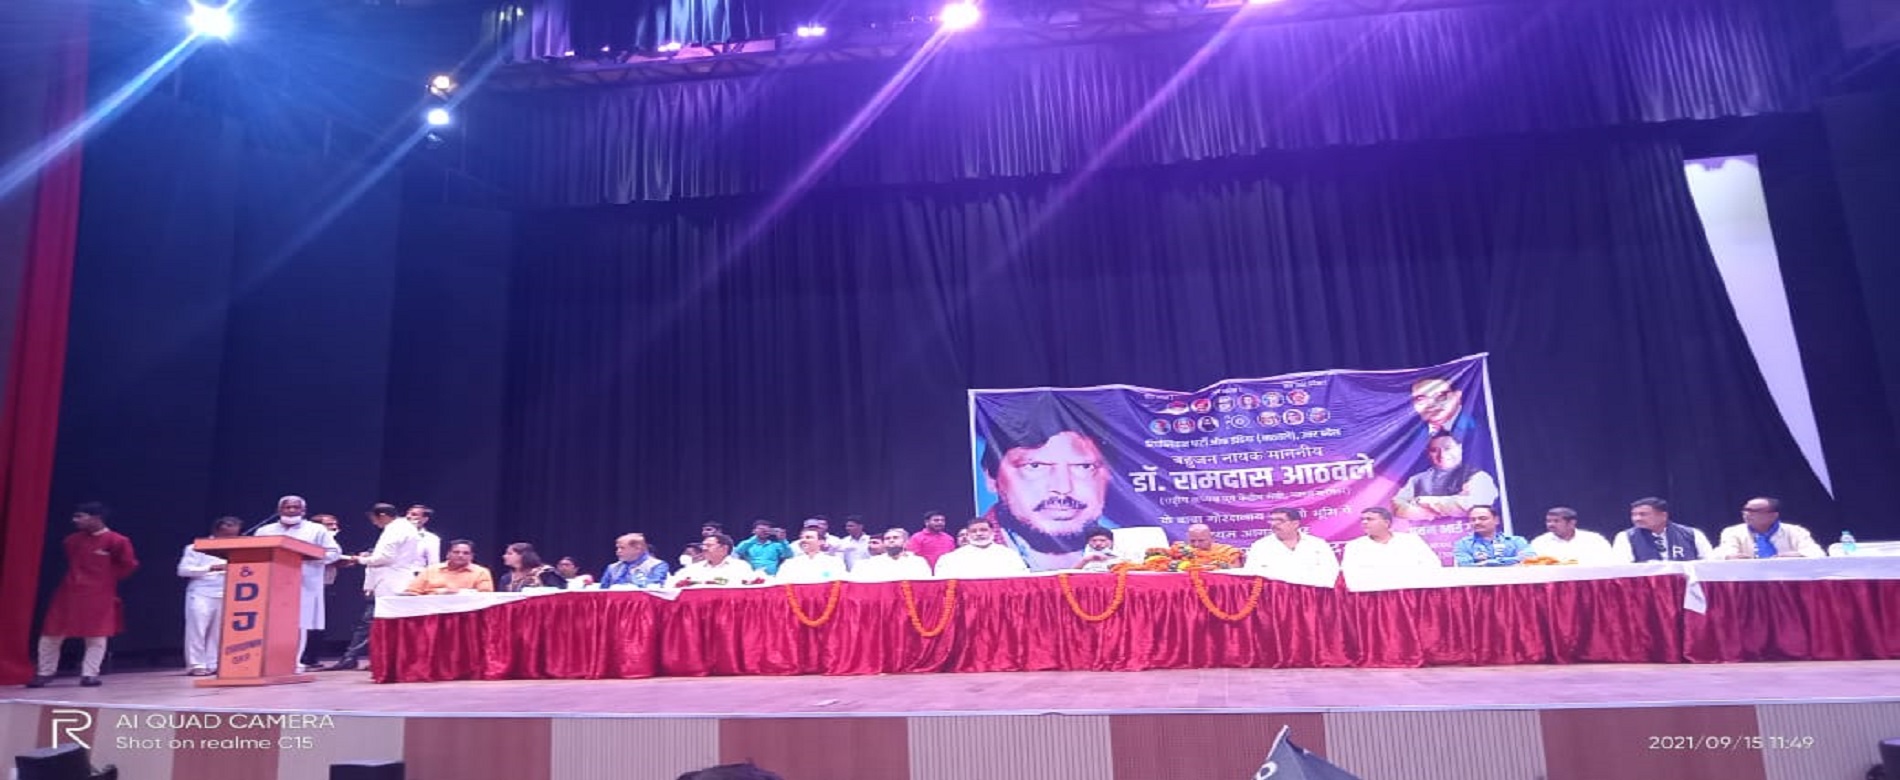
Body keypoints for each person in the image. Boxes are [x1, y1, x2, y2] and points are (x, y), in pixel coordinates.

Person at [978, 413, 1127, 571]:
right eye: (1035, 466)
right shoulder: (970, 556)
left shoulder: (1126, 551)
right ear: (991, 477)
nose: (1063, 488)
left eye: (1084, 466)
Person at [30, 503, 140, 688]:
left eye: (80, 516)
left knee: (96, 635)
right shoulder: (71, 540)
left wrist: (106, 581)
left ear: (96, 518)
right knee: (51, 633)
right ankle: (45, 672)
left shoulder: (117, 541)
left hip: (99, 594)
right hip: (68, 593)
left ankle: (89, 674)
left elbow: (128, 565)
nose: (75, 520)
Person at [326, 502, 424, 672]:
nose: (374, 523)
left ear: (383, 516)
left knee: (376, 622)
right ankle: (375, 658)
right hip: (397, 580)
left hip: (390, 582)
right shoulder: (406, 528)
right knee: (377, 623)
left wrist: (359, 559)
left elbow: (385, 558)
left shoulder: (395, 529)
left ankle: (357, 658)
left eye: (374, 519)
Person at [253, 495, 342, 671]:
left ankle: (293, 662)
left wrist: (308, 557)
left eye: (296, 507)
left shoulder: (316, 530)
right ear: (279, 510)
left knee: (300, 623)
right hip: (272, 583)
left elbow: (334, 553)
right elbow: (254, 553)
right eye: (288, 507)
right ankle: (269, 660)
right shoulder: (264, 531)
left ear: (303, 511)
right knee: (271, 623)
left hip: (305, 583)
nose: (292, 511)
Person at [176, 516, 241, 676]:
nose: (230, 538)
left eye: (234, 535)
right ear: (217, 531)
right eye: (226, 535)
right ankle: (196, 664)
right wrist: (211, 568)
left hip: (226, 592)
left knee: (218, 631)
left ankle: (213, 663)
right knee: (197, 629)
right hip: (201, 593)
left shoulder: (237, 548)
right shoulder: (196, 547)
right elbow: (183, 570)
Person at [1392, 434, 1499, 521]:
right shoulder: (1417, 479)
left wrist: (1422, 501)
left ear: (1460, 448)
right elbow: (1397, 507)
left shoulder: (1477, 475)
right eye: (1434, 450)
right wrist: (1429, 513)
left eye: (1448, 448)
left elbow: (1476, 504)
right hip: (1426, 536)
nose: (1442, 454)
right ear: (1428, 453)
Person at [1243, 509, 1339, 587]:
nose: (1274, 524)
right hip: (1277, 597)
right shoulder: (1260, 546)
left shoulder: (1317, 544)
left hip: (1313, 594)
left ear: (1295, 524)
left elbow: (1331, 570)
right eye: (1272, 520)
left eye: (1280, 520)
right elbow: (1251, 574)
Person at [1714, 496, 1825, 559]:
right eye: (1745, 510)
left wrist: (1799, 555)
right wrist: (1730, 556)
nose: (1747, 514)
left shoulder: (1796, 531)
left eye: (1754, 511)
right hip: (1749, 581)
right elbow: (1723, 553)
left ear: (1773, 515)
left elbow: (1817, 553)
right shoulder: (1732, 532)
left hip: (1787, 580)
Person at [1341, 507, 1443, 572]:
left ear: (1386, 523)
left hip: (1411, 591)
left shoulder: (1411, 540)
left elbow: (1433, 564)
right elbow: (1349, 572)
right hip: (1374, 594)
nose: (1364, 522)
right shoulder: (1355, 546)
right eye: (1362, 520)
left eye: (1370, 519)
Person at [1612, 497, 1714, 562]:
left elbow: (1709, 563)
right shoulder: (1625, 537)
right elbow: (1622, 568)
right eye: (1634, 515)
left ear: (1663, 516)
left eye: (1643, 514)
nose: (1637, 519)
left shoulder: (1692, 534)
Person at [933, 519, 1029, 579]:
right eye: (973, 531)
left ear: (993, 532)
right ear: (968, 534)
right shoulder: (951, 558)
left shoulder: (1009, 555)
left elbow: (1021, 580)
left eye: (983, 530)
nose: (978, 534)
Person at [1529, 507, 1617, 565]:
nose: (1551, 525)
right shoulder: (1539, 542)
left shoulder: (1594, 540)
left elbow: (1608, 562)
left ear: (1572, 523)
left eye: (1556, 521)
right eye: (1548, 521)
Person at [1451, 505, 1535, 566]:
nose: (1477, 522)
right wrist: (1512, 562)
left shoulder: (1516, 541)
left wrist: (1487, 563)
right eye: (1473, 519)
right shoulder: (1463, 544)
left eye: (1482, 518)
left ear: (1496, 520)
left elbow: (1529, 558)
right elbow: (1466, 566)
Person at [405, 539, 495, 594]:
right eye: (456, 552)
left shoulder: (481, 572)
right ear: (448, 554)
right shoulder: (431, 570)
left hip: (466, 612)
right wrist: (439, 592)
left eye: (466, 553)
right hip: (432, 611)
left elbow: (485, 595)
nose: (460, 555)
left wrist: (458, 592)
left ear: (472, 556)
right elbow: (412, 591)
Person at [668, 533, 759, 586]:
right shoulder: (694, 568)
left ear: (724, 548)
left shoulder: (740, 566)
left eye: (708, 545)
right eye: (703, 545)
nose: (704, 548)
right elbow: (674, 583)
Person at [852, 528, 932, 582]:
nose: (891, 540)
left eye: (895, 538)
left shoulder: (918, 561)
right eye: (887, 538)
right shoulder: (874, 562)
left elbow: (925, 583)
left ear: (906, 542)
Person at [776, 528, 848, 583]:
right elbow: (780, 583)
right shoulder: (790, 563)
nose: (803, 540)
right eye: (801, 538)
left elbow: (841, 583)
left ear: (821, 541)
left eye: (808, 537)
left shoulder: (834, 562)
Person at [600, 533, 669, 588]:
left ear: (637, 549)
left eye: (622, 548)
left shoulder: (657, 565)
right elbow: (603, 590)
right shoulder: (612, 567)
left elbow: (654, 587)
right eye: (617, 548)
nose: (618, 551)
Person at [497, 542, 565, 591]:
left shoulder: (545, 573)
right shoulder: (506, 578)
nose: (504, 556)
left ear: (523, 555)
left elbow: (559, 593)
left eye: (509, 553)